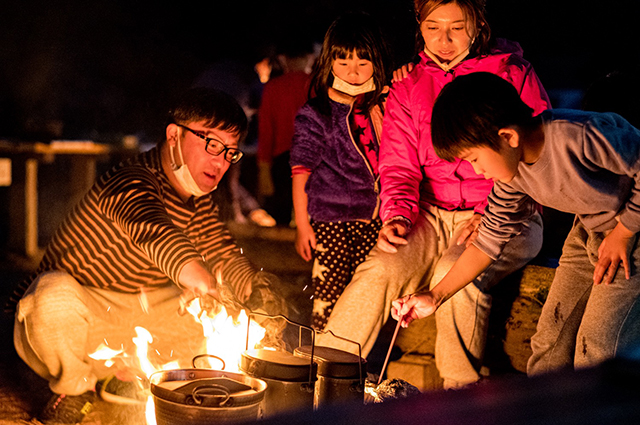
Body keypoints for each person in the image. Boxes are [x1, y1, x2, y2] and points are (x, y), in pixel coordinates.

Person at [7, 88, 286, 424]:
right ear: (174, 135)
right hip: (89, 316)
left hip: (146, 317)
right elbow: (150, 227)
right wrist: (195, 272)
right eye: (212, 145)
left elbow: (223, 253)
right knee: (49, 299)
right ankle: (75, 389)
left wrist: (256, 292)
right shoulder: (129, 180)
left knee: (220, 316)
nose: (221, 161)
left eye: (230, 152)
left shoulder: (199, 202)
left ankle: (130, 378)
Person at [315, 0, 550, 389]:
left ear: (478, 24)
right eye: (432, 28)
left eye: (457, 27)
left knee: (453, 273)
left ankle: (459, 395)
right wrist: (397, 216)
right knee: (380, 270)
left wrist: (490, 214)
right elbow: (399, 166)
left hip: (509, 213)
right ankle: (321, 380)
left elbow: (536, 154)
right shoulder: (410, 85)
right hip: (430, 213)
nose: (444, 40)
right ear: (419, 26)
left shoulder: (513, 73)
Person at [394, 71, 640, 378]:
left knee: (599, 347)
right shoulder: (512, 177)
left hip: (632, 235)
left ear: (508, 136)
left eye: (473, 159)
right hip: (588, 232)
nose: (477, 171)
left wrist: (625, 230)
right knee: (550, 341)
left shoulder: (580, 135)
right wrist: (435, 295)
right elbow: (487, 243)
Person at [290, 12, 392, 330]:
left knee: (364, 295)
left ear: (377, 61)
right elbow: (300, 171)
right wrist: (303, 225)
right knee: (329, 295)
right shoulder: (317, 111)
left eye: (363, 61)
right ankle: (321, 357)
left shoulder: (384, 106)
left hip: (374, 221)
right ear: (328, 60)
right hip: (331, 221)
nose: (353, 70)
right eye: (343, 60)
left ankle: (359, 364)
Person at [257, 39, 314, 226]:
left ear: (283, 59)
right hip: (313, 158)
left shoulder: (273, 87)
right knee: (313, 215)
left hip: (282, 159)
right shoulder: (317, 85)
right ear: (310, 58)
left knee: (280, 215)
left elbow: (266, 130)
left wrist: (264, 168)